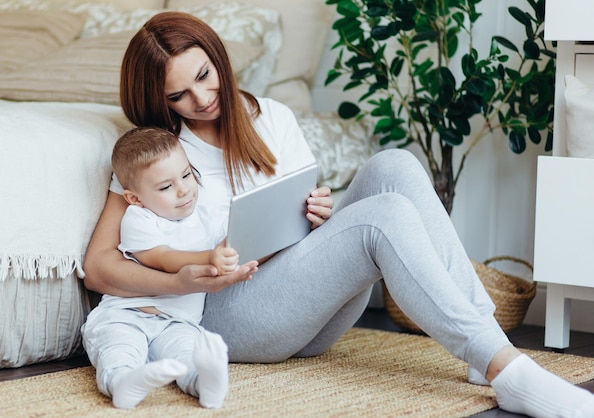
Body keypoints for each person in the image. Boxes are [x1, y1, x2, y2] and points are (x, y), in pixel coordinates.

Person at [82, 11, 594, 417]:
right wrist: (184, 280)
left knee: (394, 166)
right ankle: (506, 370)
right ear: (159, 99)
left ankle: (488, 348)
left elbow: (306, 232)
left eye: (204, 76)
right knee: (381, 218)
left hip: (301, 304)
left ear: (217, 58)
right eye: (179, 95)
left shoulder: (271, 117)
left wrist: (322, 215)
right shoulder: (158, 156)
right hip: (223, 317)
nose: (202, 98)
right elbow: (100, 264)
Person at [81, 127, 238, 409]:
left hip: (177, 322)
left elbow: (235, 239)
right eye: (166, 187)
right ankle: (122, 382)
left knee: (188, 354)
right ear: (135, 198)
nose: (184, 190)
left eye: (187, 175)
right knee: (119, 348)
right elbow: (161, 258)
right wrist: (209, 257)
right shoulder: (139, 218)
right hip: (127, 313)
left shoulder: (208, 216)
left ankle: (205, 384)